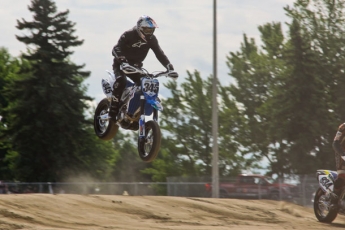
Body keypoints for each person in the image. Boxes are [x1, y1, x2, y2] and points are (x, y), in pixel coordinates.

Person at [109, 15, 174, 120]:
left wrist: (169, 67)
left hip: (136, 67)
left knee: (146, 85)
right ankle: (113, 111)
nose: (149, 32)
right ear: (140, 28)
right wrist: (122, 60)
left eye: (151, 30)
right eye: (147, 30)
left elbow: (159, 53)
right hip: (121, 65)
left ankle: (134, 112)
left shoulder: (152, 39)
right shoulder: (128, 35)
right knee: (121, 81)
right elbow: (116, 48)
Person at [332, 123, 345, 202]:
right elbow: (335, 143)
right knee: (342, 176)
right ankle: (334, 200)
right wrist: (343, 154)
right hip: (341, 153)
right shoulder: (343, 127)